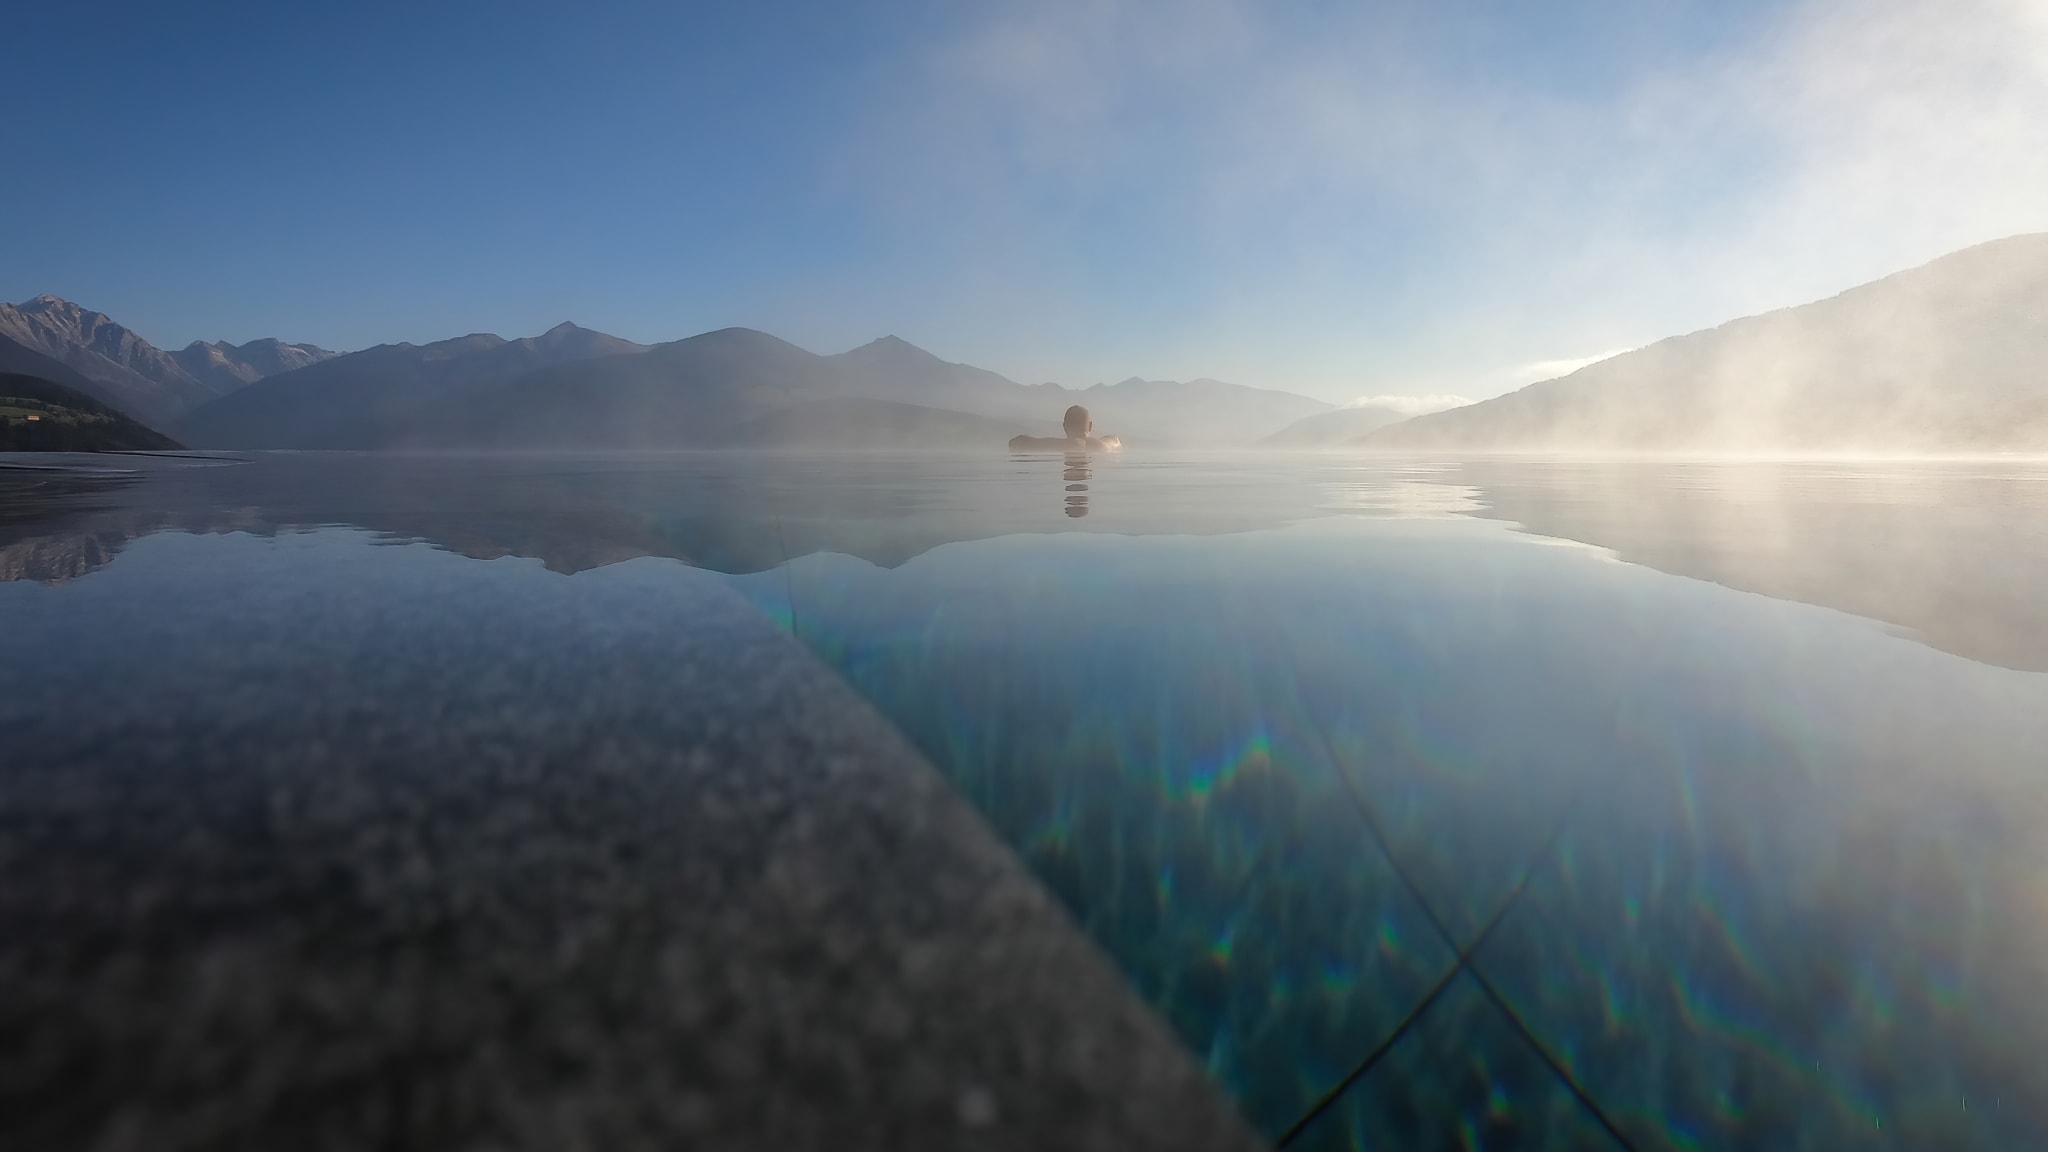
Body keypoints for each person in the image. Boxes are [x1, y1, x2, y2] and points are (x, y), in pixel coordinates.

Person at [1008, 404, 1122, 452]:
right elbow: (1114, 439)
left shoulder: (1067, 445)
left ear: (1064, 427)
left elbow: (1018, 442)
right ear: (1090, 426)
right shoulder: (1105, 445)